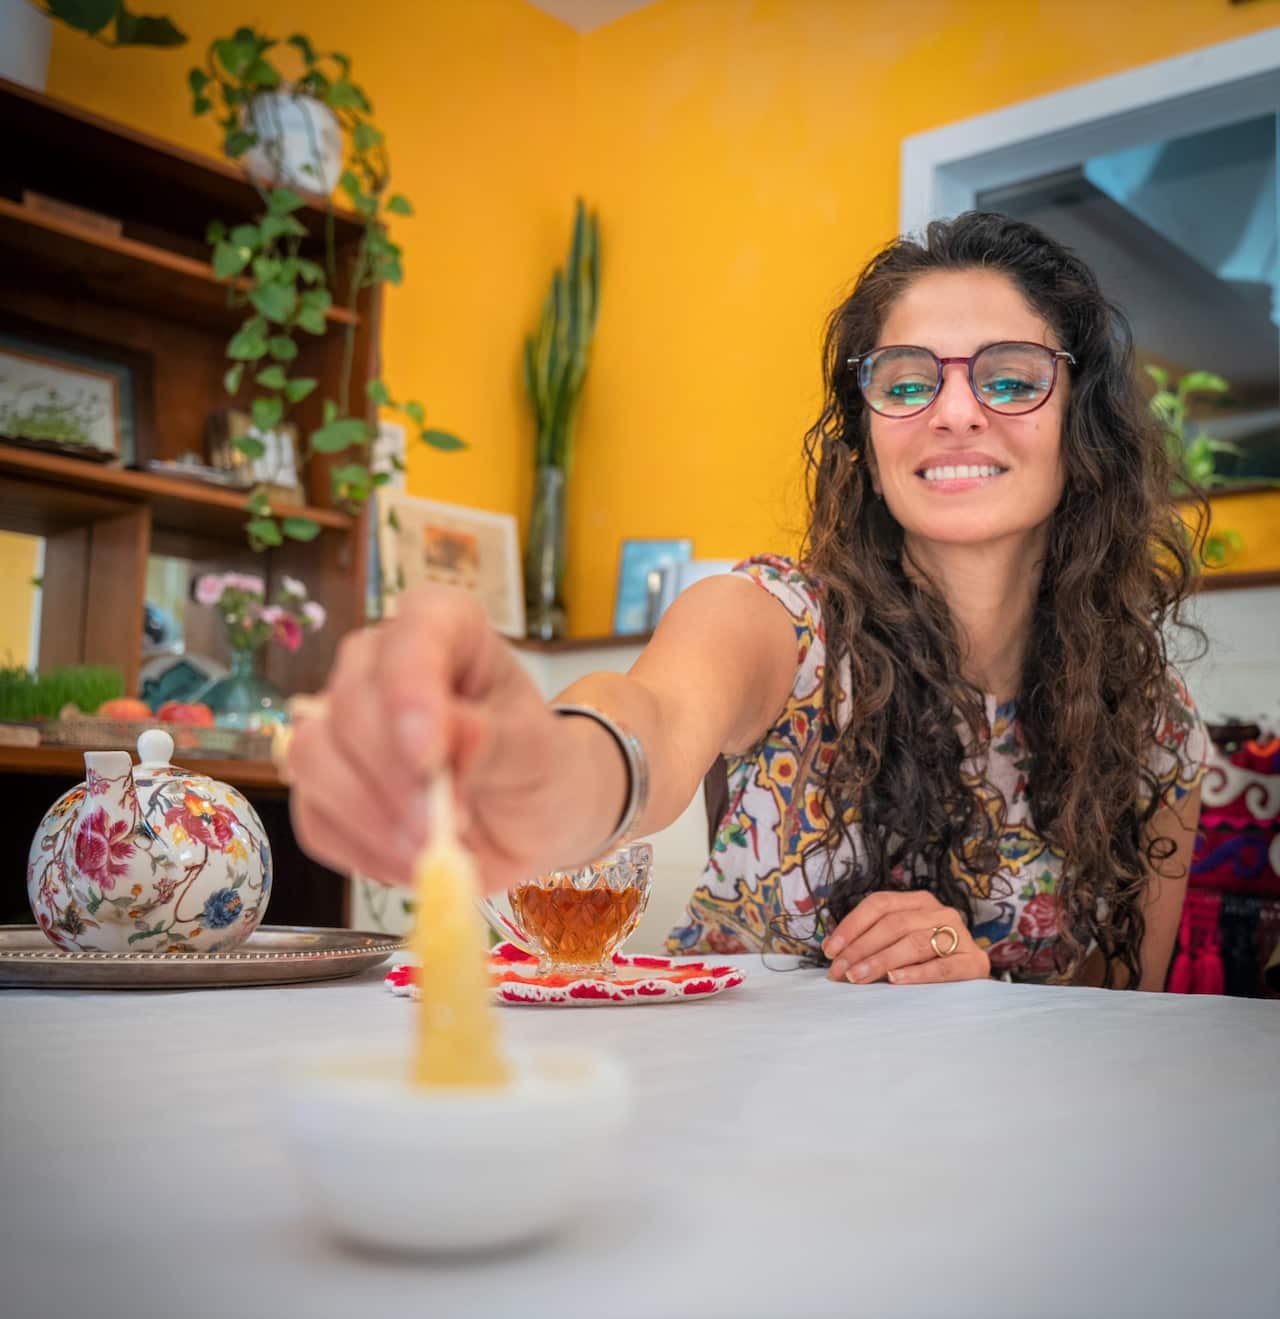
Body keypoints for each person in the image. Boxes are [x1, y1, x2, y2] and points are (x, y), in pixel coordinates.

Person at [287, 211, 1208, 992]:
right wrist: (529, 774)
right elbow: (648, 713)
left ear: (1078, 422)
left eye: (1009, 377)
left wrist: (976, 988)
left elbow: (1115, 1021)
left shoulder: (1155, 727)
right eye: (907, 381)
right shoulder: (780, 620)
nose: (956, 411)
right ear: (867, 443)